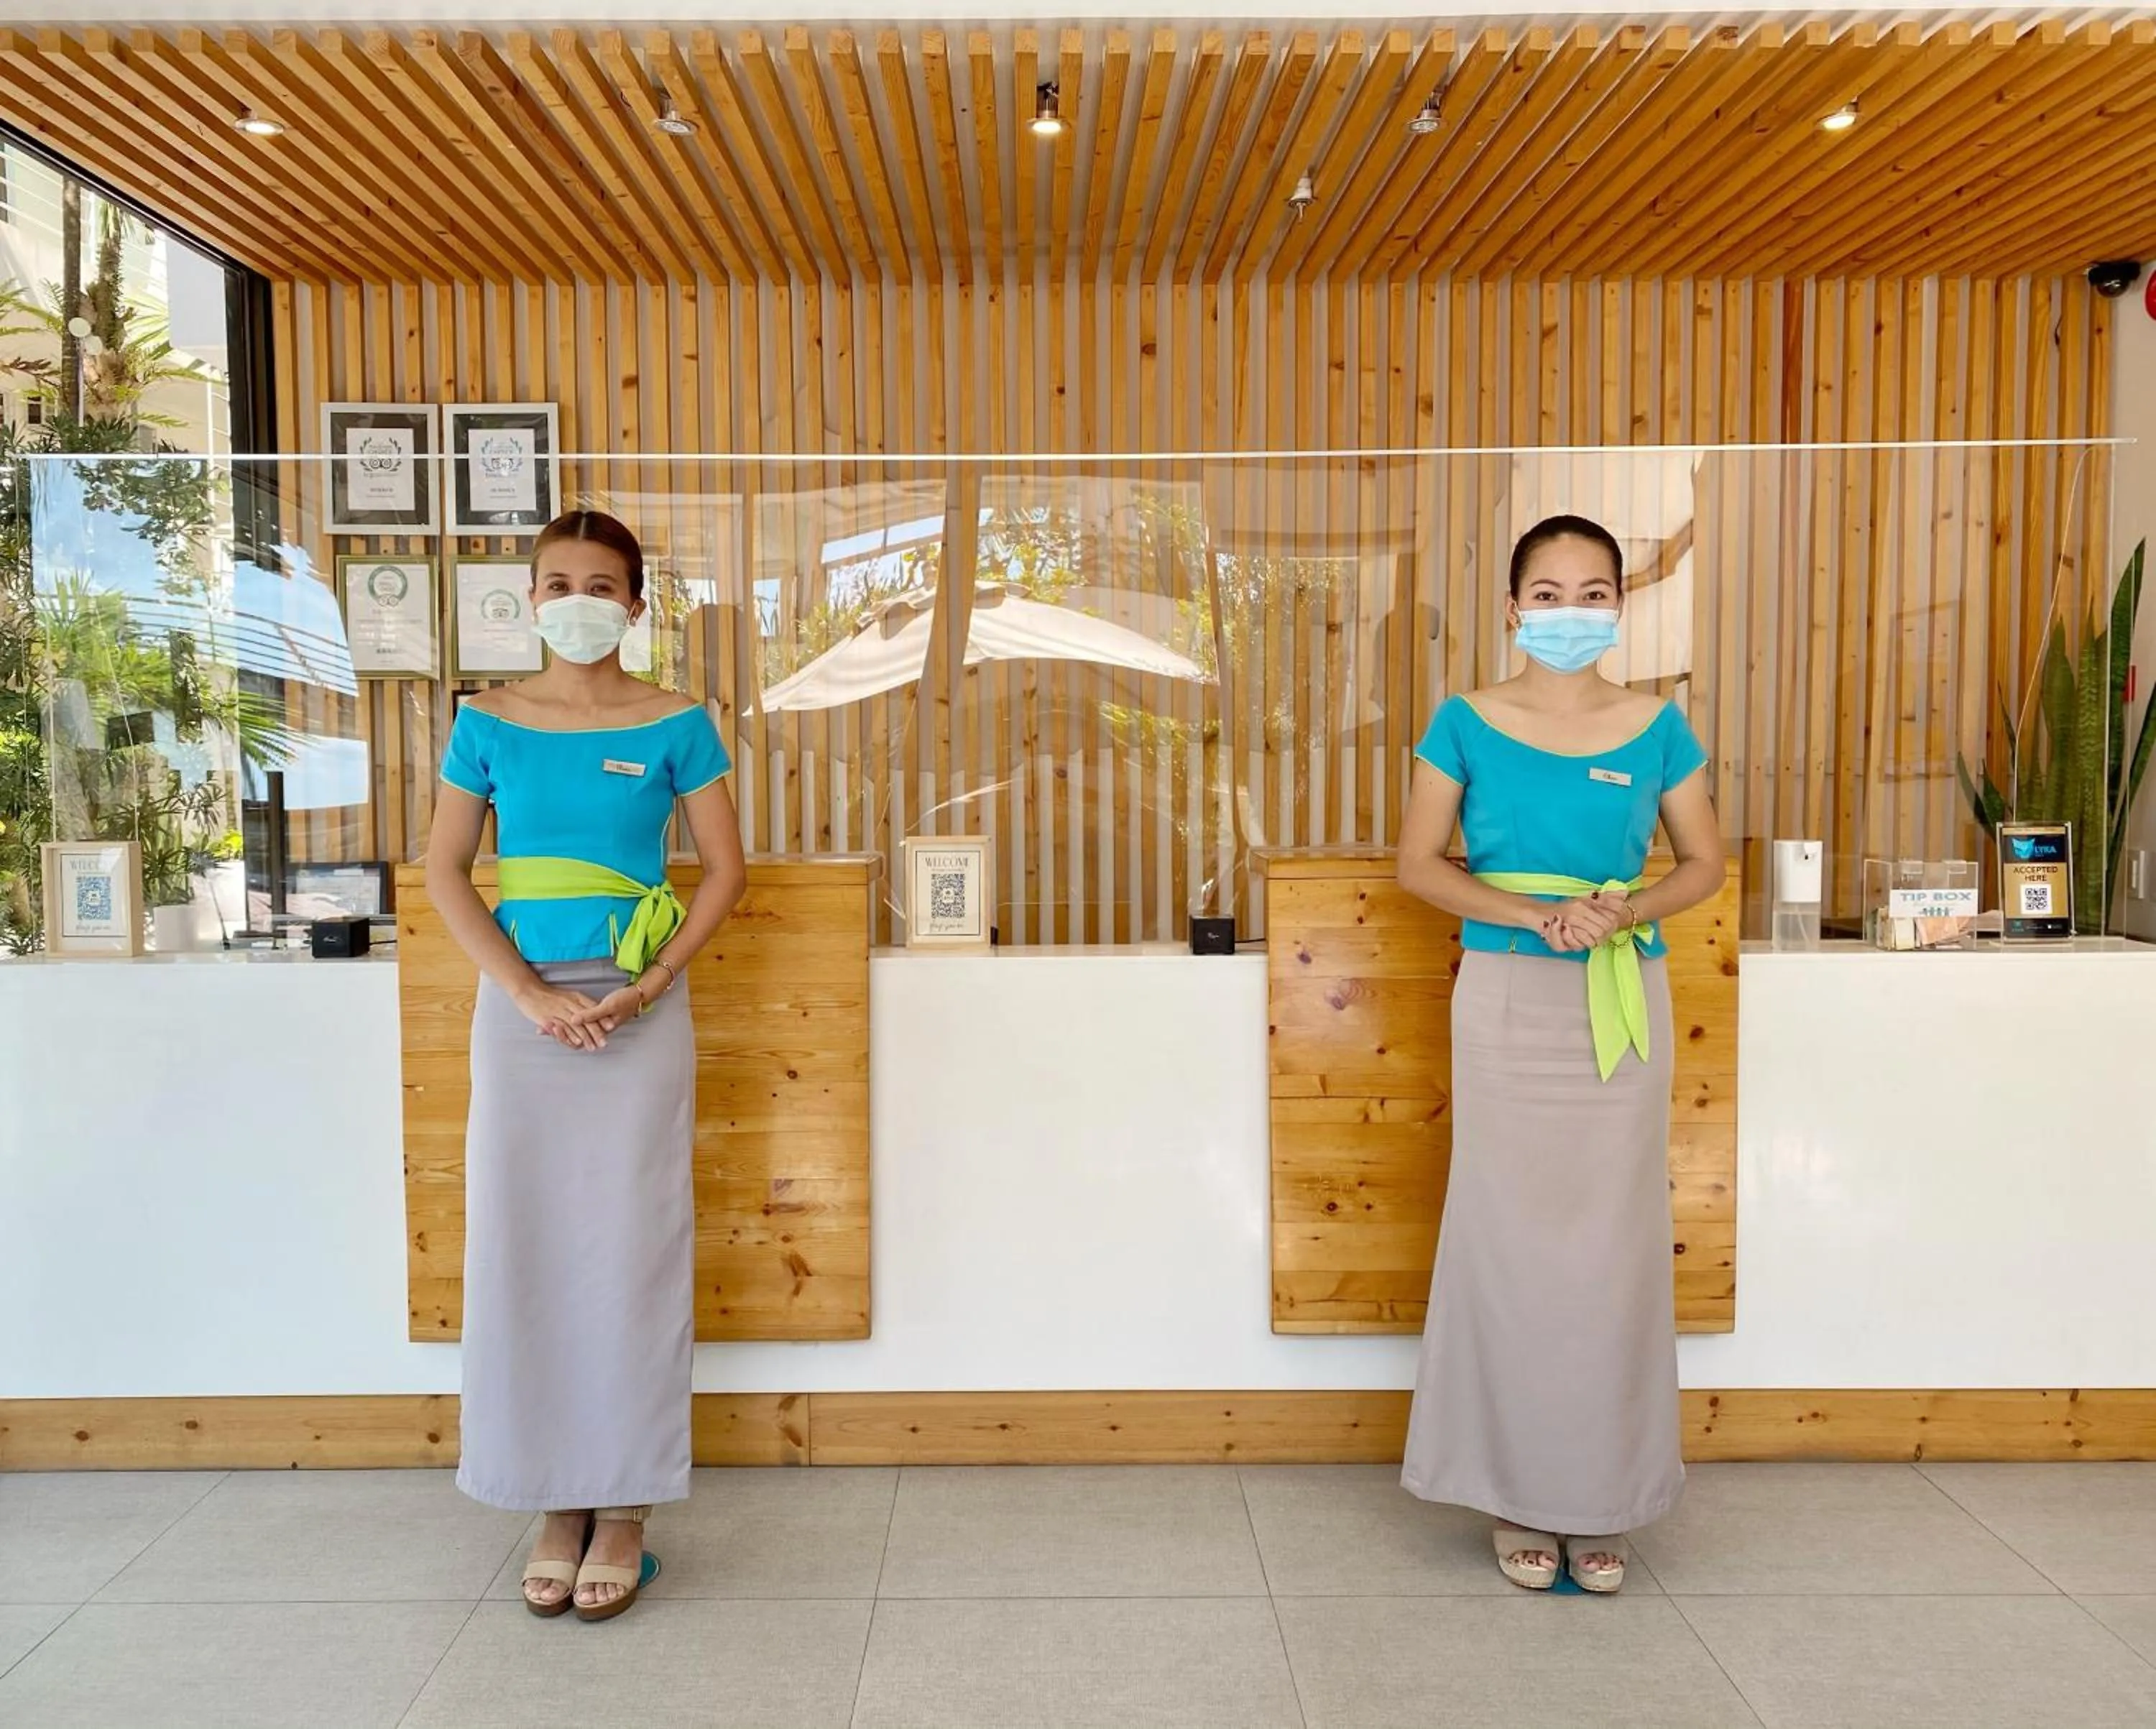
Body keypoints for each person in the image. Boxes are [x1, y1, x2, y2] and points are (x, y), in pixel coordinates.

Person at [424, 509, 747, 1621]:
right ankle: (550, 1498)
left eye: (601, 583)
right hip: (523, 1017)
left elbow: (722, 873)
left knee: (630, 1248)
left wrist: (650, 986)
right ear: (530, 596)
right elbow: (446, 872)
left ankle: (623, 1506)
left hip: (637, 1010)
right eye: (557, 579)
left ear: (635, 605)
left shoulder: (677, 723)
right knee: (527, 1246)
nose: (578, 597)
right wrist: (526, 994)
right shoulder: (484, 723)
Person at [1393, 514, 1726, 1594]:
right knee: (1509, 1235)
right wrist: (1530, 917)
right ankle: (1516, 1492)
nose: (1571, 612)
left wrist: (1623, 911)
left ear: (1620, 607)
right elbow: (1418, 866)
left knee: (1612, 1243)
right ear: (1511, 606)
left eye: (1594, 594)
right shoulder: (1465, 721)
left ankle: (1604, 1499)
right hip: (1504, 995)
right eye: (1549, 592)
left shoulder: (1656, 726)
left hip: (1619, 1000)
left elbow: (1705, 864)